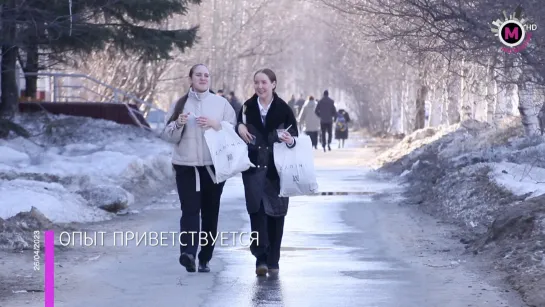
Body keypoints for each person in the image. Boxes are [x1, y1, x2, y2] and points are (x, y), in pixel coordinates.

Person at [161, 64, 237, 273]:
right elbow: (168, 136)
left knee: (210, 214)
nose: (203, 78)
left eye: (206, 75)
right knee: (190, 212)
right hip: (186, 167)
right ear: (191, 79)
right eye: (198, 75)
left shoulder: (221, 104)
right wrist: (178, 124)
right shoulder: (180, 104)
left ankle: (205, 257)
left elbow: (233, 131)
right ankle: (188, 253)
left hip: (213, 168)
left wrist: (215, 124)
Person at [235, 68, 299, 276]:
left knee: (276, 216)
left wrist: (290, 140)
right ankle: (260, 258)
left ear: (273, 84)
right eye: (257, 83)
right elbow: (236, 134)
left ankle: (274, 260)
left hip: (277, 171)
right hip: (253, 170)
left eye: (264, 82)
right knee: (257, 214)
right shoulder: (247, 107)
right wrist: (239, 127)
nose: (260, 86)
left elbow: (295, 137)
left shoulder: (284, 109)